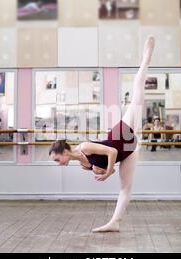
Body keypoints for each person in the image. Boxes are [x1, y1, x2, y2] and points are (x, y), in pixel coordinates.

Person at [48, 36, 156, 233]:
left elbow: (111, 153)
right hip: (129, 151)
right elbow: (112, 165)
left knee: (137, 98)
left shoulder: (84, 148)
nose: (59, 163)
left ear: (64, 152)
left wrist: (105, 173)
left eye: (57, 159)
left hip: (121, 135)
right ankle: (114, 223)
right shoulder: (82, 164)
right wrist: (107, 171)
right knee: (125, 188)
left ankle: (145, 60)